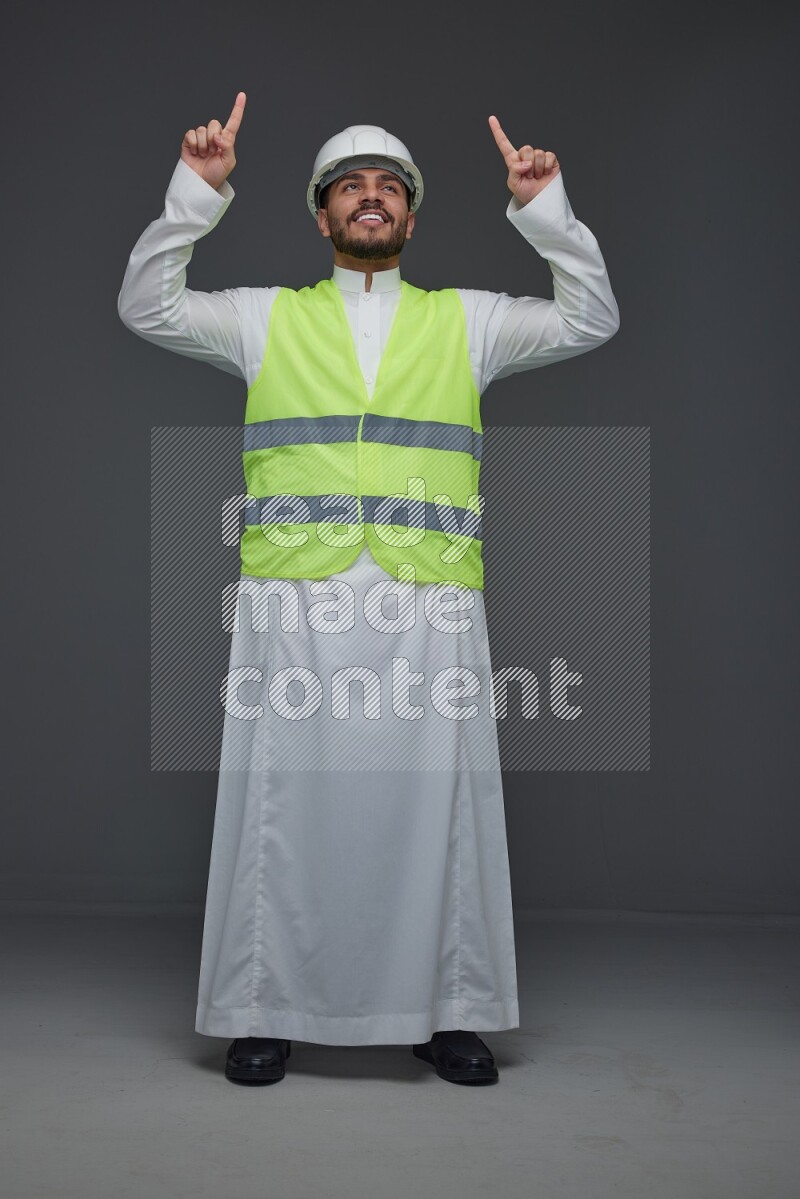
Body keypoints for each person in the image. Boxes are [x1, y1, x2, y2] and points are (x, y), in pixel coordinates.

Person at [118, 92, 620, 1087]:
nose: (371, 196)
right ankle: (262, 1009)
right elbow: (147, 305)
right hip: (292, 599)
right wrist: (195, 192)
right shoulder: (264, 317)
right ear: (322, 215)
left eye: (389, 185)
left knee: (440, 807)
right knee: (282, 804)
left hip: (428, 599)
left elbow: (590, 317)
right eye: (350, 186)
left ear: (411, 217)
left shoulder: (468, 321)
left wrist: (544, 209)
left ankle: (452, 1011)